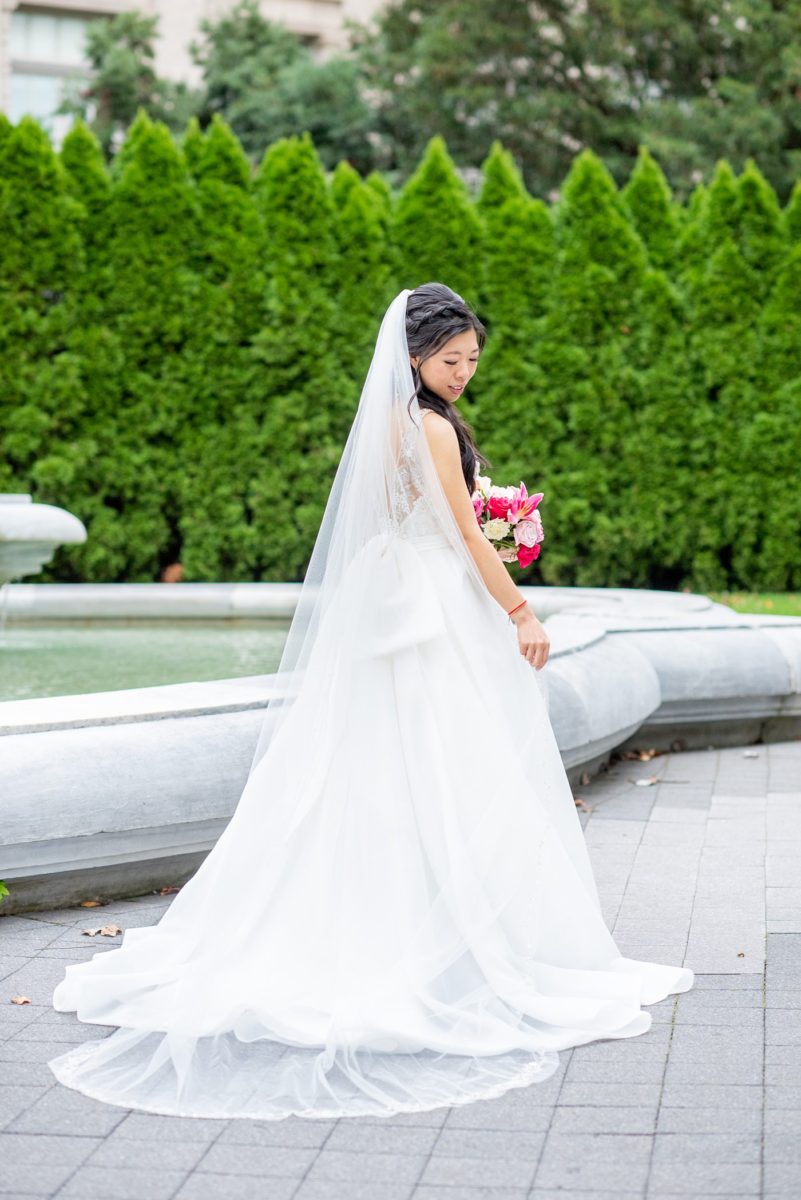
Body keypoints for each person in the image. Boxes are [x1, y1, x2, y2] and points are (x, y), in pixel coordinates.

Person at [48, 283, 693, 1121]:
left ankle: (399, 918)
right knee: (446, 759)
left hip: (390, 594)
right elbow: (462, 533)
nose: (462, 374)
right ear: (415, 354)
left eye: (470, 362)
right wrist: (520, 608)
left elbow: (434, 518)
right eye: (451, 359)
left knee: (379, 757)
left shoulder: (391, 422)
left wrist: (492, 524)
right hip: (431, 601)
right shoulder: (424, 423)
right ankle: (446, 937)